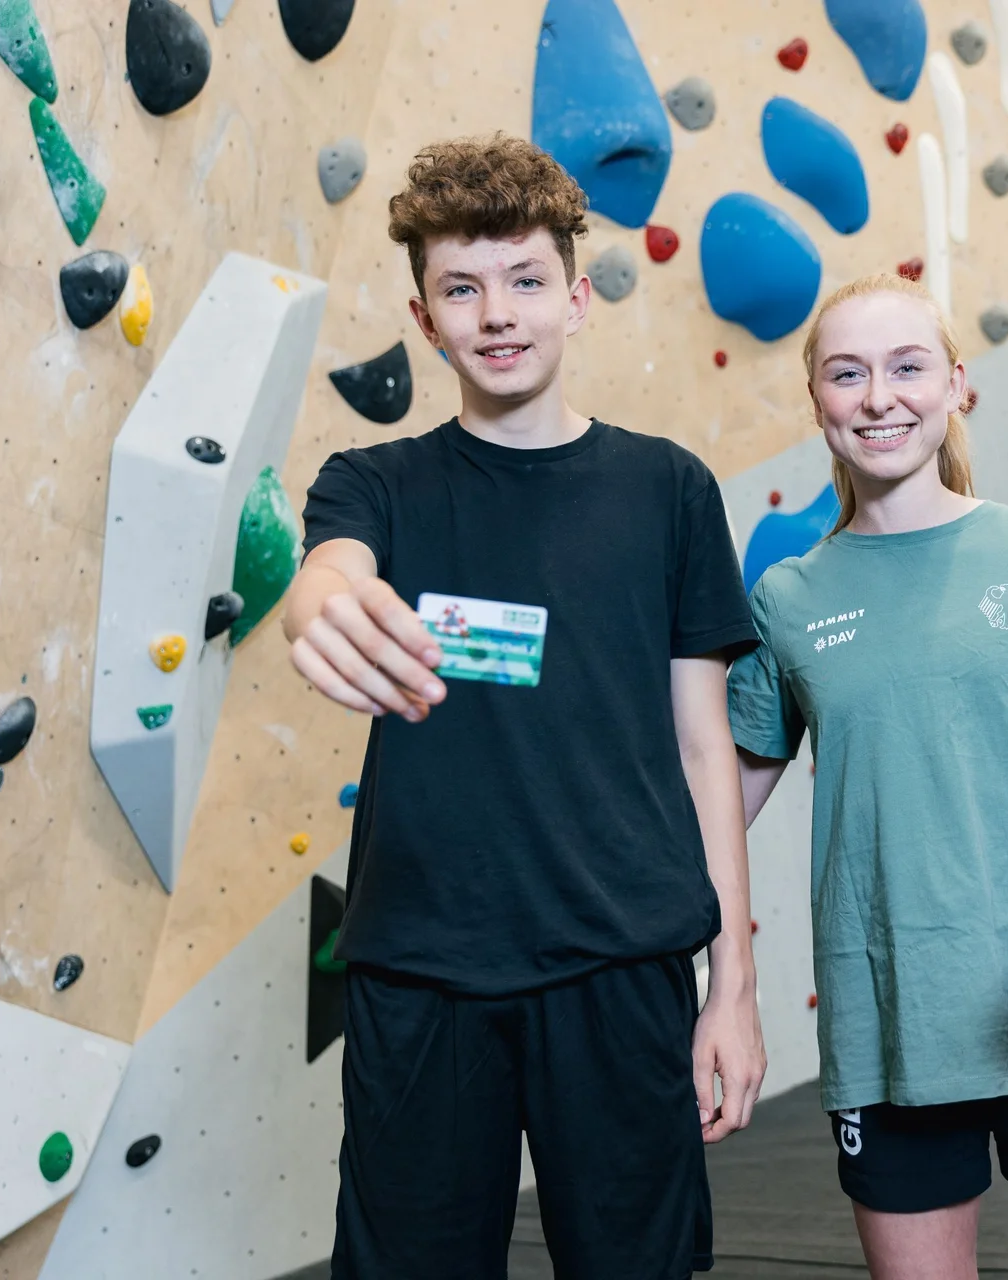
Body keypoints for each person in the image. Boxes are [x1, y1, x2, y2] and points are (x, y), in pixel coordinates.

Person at [282, 134, 763, 1279]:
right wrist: (323, 605)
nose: (497, 313)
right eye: (462, 288)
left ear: (576, 299)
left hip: (624, 958)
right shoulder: (374, 483)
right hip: (420, 964)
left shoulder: (669, 488)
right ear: (426, 317)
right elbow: (329, 576)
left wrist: (733, 988)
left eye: (525, 280)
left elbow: (705, 749)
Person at [728, 272, 1008, 1280]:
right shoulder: (787, 598)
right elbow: (713, 817)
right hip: (889, 1018)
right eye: (847, 374)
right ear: (818, 399)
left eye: (907, 367)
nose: (879, 397)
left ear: (956, 385)